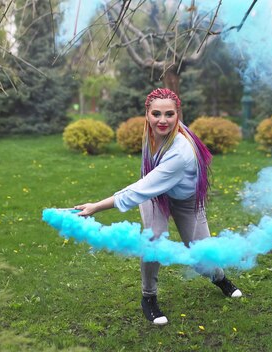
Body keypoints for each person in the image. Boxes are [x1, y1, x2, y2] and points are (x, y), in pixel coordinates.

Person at [74, 88, 241, 326]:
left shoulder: (180, 152)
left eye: (169, 114)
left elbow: (140, 188)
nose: (162, 120)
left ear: (178, 114)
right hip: (156, 195)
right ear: (147, 114)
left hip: (186, 201)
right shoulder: (151, 134)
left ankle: (219, 277)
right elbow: (147, 188)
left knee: (202, 257)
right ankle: (149, 297)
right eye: (156, 114)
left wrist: (96, 207)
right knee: (154, 240)